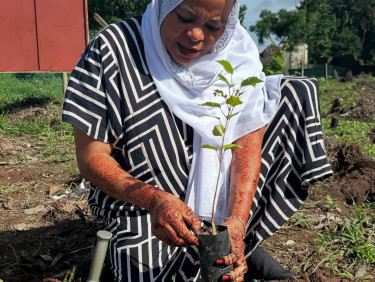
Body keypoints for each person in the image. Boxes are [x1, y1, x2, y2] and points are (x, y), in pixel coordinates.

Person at [62, 0, 333, 281]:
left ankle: (240, 241)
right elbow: (91, 157)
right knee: (145, 272)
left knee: (293, 93)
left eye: (213, 26)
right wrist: (155, 200)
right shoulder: (114, 49)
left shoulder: (236, 52)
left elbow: (245, 143)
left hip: (222, 203)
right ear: (165, 6)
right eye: (185, 18)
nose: (196, 35)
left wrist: (238, 221)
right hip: (141, 207)